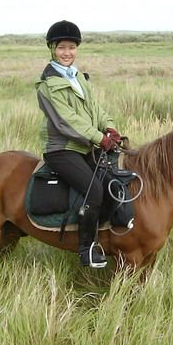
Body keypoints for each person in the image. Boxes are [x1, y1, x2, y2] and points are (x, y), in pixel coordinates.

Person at [35, 20, 121, 268]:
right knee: (94, 190)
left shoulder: (78, 77)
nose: (67, 52)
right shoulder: (48, 86)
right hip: (62, 149)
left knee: (113, 179)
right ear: (52, 48)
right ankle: (86, 248)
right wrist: (100, 139)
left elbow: (95, 108)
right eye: (62, 47)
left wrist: (110, 127)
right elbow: (67, 122)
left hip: (84, 146)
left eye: (72, 47)